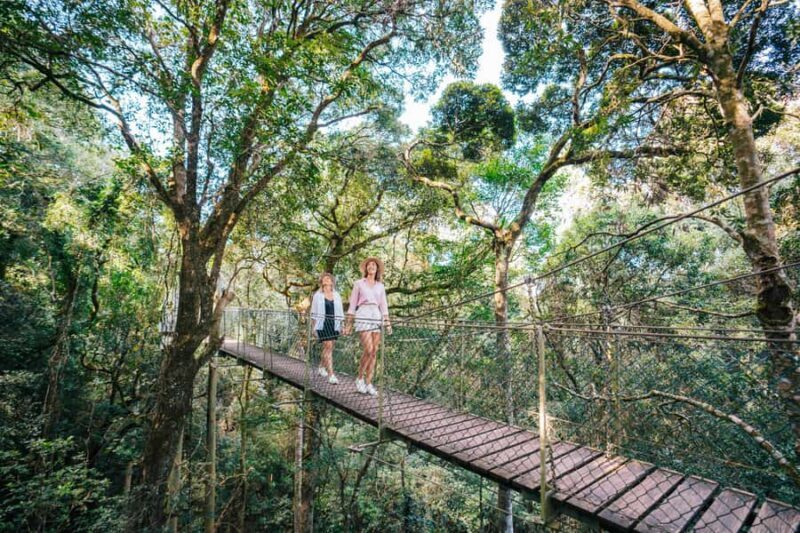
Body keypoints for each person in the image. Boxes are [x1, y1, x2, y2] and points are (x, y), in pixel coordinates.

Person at [344, 257, 391, 396]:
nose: (371, 266)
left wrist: (387, 323)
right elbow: (352, 305)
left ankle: (369, 383)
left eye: (374, 265)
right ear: (366, 268)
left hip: (376, 316)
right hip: (363, 314)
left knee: (374, 352)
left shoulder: (380, 286)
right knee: (368, 350)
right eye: (369, 265)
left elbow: (384, 306)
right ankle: (359, 378)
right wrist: (348, 324)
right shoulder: (359, 283)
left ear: (377, 269)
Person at [310, 273, 344, 384]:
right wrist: (313, 328)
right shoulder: (317, 295)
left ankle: (321, 367)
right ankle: (331, 375)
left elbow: (341, 311)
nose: (326, 279)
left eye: (328, 278)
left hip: (334, 324)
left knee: (329, 348)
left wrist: (342, 325)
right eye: (324, 278)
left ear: (332, 281)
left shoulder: (337, 295)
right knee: (328, 346)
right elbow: (313, 312)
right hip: (323, 324)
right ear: (321, 282)